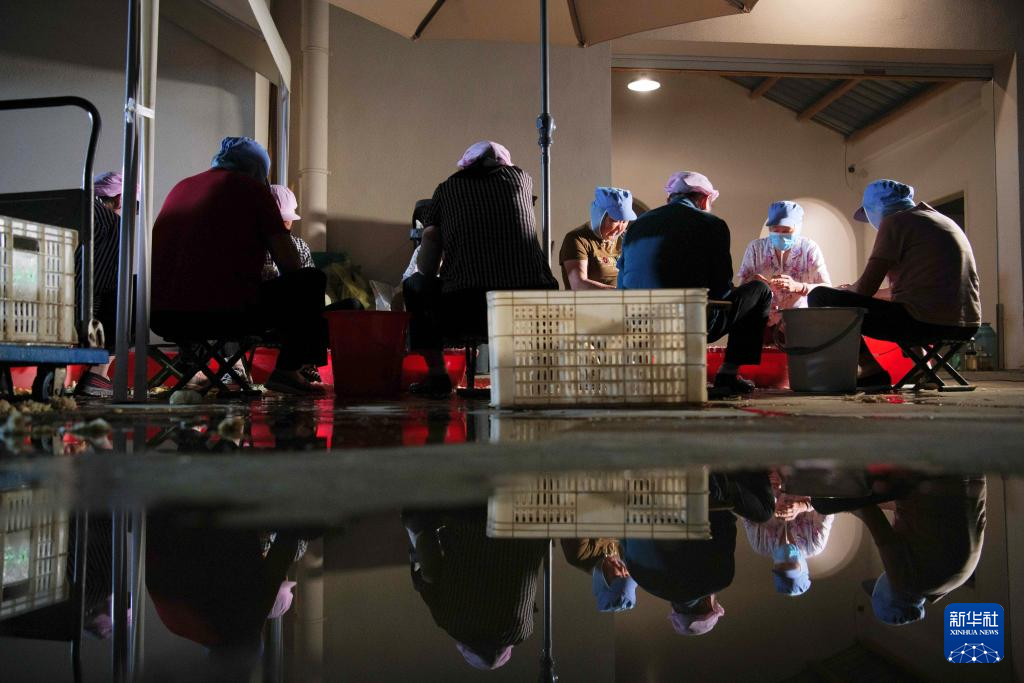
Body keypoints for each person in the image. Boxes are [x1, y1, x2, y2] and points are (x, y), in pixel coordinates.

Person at [151, 137, 327, 395]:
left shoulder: (182, 187)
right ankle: (288, 371)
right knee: (310, 280)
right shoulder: (254, 190)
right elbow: (291, 265)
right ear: (259, 170)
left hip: (165, 318)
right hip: (226, 315)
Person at [404, 141, 558, 396]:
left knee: (415, 284)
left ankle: (438, 376)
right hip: (527, 309)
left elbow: (428, 257)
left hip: (465, 310)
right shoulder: (522, 180)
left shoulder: (447, 189)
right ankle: (537, 375)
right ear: (505, 164)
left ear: (465, 166)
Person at [808, 180, 981, 389]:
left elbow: (864, 289)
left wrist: (842, 291)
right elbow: (915, 290)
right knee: (903, 305)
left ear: (875, 209)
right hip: (967, 326)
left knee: (820, 296)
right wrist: (855, 292)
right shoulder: (939, 220)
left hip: (924, 323)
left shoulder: (895, 222)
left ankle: (870, 370)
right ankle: (923, 369)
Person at [618, 171, 772, 398]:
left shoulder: (637, 225)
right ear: (704, 199)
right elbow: (721, 288)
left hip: (639, 323)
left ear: (670, 198)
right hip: (690, 323)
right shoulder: (713, 224)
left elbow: (622, 281)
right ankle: (727, 374)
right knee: (760, 291)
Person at [813, 474, 986, 626]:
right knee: (823, 504)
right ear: (891, 598)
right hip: (933, 479)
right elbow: (869, 513)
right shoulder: (905, 583)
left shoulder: (947, 582)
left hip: (967, 473)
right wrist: (838, 506)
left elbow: (916, 513)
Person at [620, 472, 774, 636]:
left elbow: (726, 522)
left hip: (695, 483)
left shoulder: (719, 580)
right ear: (675, 608)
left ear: (710, 604)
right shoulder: (641, 579)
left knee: (764, 512)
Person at [402, 507, 546, 671]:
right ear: (465, 647)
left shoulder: (521, 631)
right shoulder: (451, 622)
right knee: (418, 527)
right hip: (469, 512)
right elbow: (428, 574)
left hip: (529, 512)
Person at [738, 201, 831, 344]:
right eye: (775, 230)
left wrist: (799, 287)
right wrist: (754, 284)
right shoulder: (756, 249)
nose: (780, 234)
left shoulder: (809, 249)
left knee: (797, 357)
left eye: (787, 230)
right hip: (762, 323)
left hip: (800, 325)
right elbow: (741, 290)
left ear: (798, 227)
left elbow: (826, 289)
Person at [73, 171, 127, 398]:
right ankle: (98, 373)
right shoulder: (112, 223)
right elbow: (104, 283)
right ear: (120, 200)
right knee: (131, 295)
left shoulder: (71, 208)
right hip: (80, 315)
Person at [559, 187, 637, 290]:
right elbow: (578, 284)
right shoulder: (577, 239)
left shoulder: (625, 238)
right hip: (591, 301)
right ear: (600, 215)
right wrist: (620, 293)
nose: (620, 228)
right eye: (614, 220)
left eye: (624, 221)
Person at [560, 538, 639, 612]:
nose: (623, 569)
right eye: (626, 575)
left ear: (604, 582)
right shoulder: (623, 555)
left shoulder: (580, 553)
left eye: (618, 576)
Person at [262, 184, 314, 280]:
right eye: (278, 221)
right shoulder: (252, 246)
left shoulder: (301, 247)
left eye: (286, 221)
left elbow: (309, 283)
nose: (282, 227)